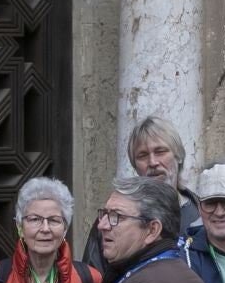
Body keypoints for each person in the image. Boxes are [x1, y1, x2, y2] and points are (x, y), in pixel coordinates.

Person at [80, 116, 201, 271]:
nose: (152, 162)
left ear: (178, 156)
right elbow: (93, 279)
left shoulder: (201, 215)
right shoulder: (110, 220)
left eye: (160, 152)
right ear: (135, 165)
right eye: (142, 155)